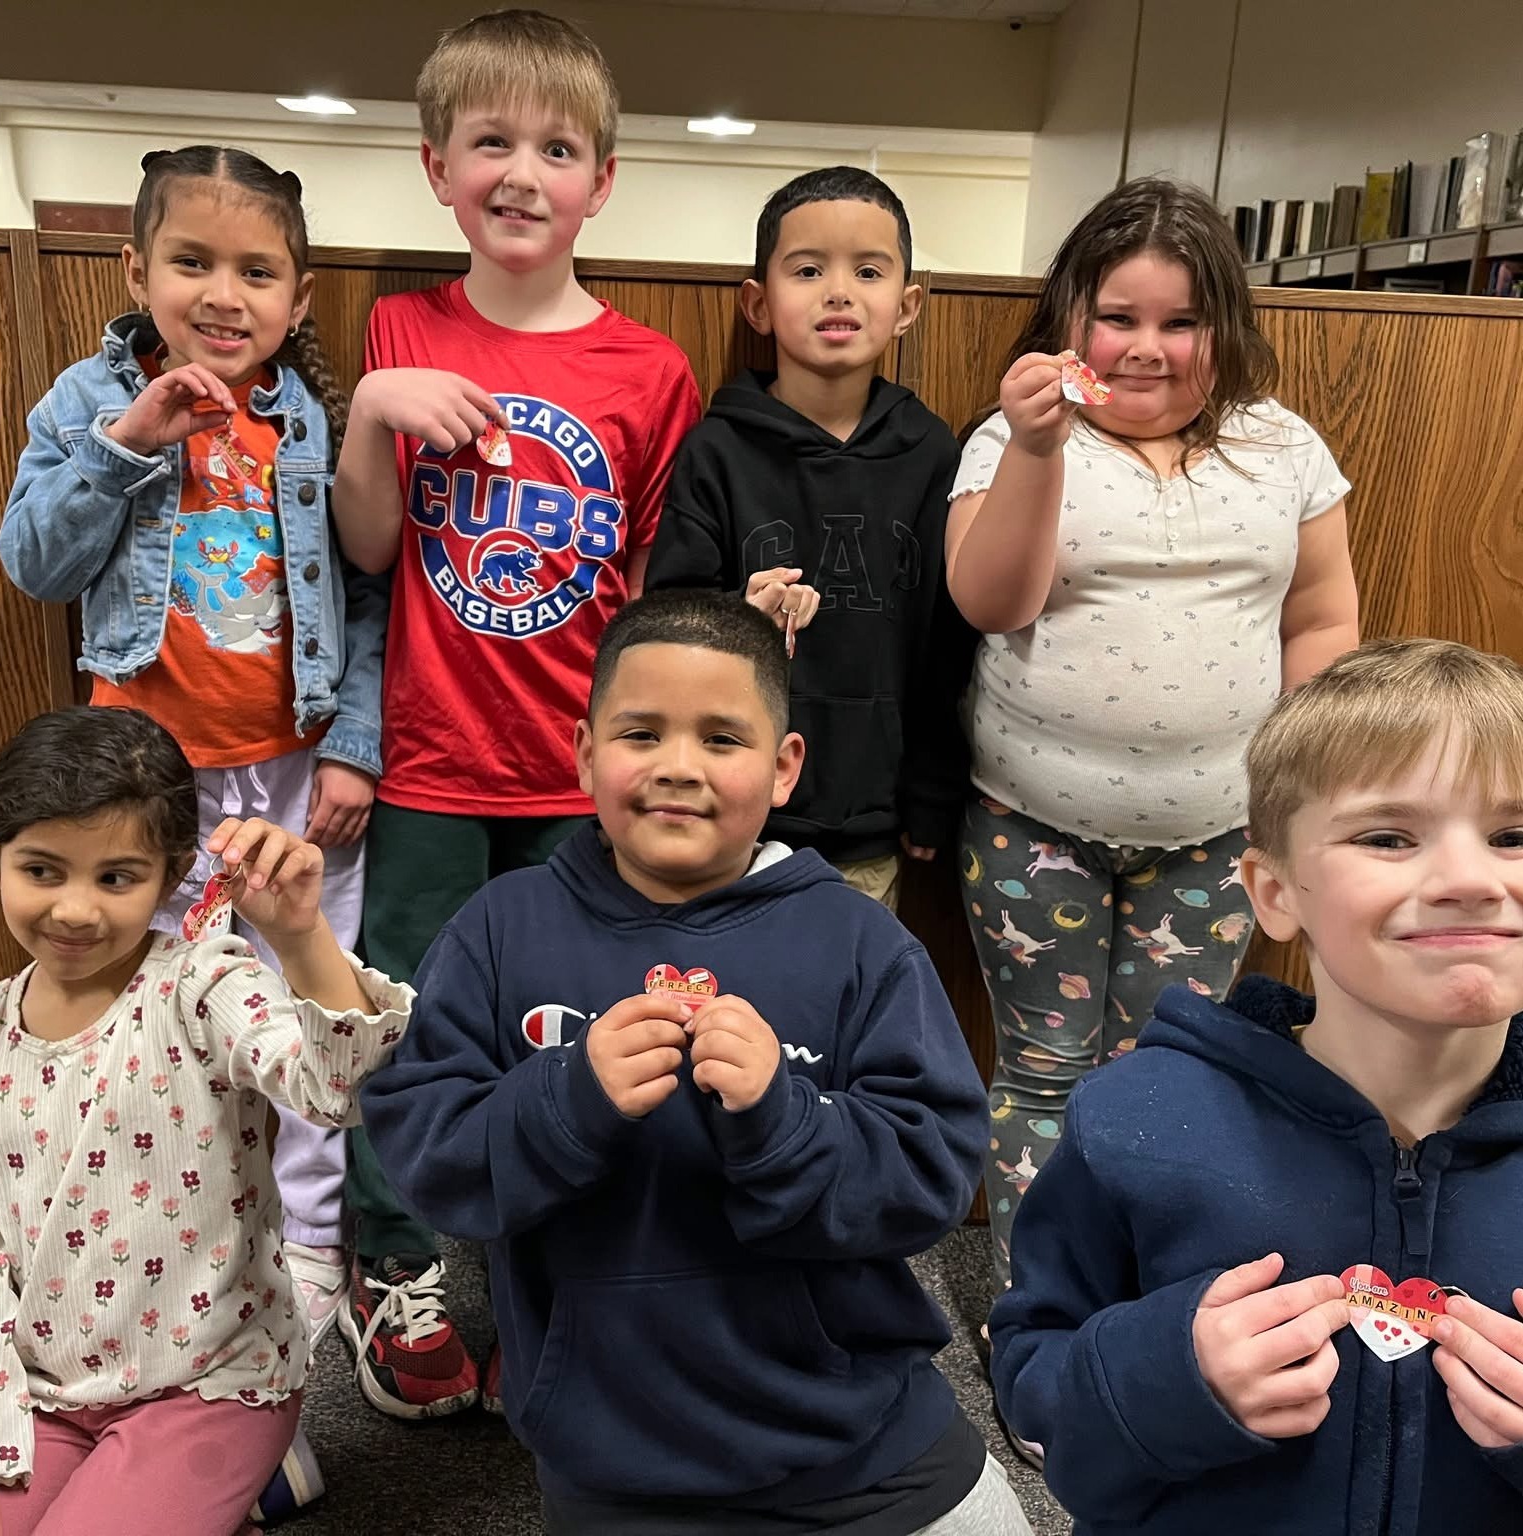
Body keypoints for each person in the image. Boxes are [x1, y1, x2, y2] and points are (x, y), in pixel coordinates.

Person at [360, 589, 1028, 1535]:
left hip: (869, 1457)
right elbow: (429, 1159)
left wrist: (788, 1119)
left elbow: (932, 1178)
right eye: (642, 734)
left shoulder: (858, 941)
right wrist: (567, 1100)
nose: (680, 768)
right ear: (586, 751)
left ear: (785, 766)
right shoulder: (500, 930)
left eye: (723, 739)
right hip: (618, 1477)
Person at [327, 9, 703, 1418]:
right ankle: (397, 1265)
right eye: (492, 141)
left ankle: (567, 1261)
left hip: (578, 775)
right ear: (439, 166)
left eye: (557, 147)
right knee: (409, 1025)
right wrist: (372, 410)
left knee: (582, 1025)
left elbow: (657, 592)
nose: (524, 172)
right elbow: (368, 551)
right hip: (429, 764)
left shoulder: (652, 371)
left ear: (603, 180)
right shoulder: (401, 329)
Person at [990, 637, 1523, 1535]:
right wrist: (1168, 1379)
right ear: (1273, 893)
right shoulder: (1136, 1121)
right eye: (1387, 836)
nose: (1471, 880)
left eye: (1514, 835)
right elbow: (1036, 1378)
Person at [0, 144, 385, 1354]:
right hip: (140, 790)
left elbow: (364, 600)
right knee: (143, 1012)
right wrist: (128, 441)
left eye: (258, 271)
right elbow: (34, 564)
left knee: (305, 998)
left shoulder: (308, 420)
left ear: (298, 298)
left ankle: (308, 1237)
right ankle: (146, 1226)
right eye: (193, 262)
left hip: (291, 771)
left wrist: (353, 748)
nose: (226, 294)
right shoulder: (85, 401)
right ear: (137, 269)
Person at [945, 176, 1360, 1288]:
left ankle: (1125, 1291)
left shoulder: (1284, 449)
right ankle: (1037, 1303)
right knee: (1040, 1071)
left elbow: (1322, 620)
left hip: (1220, 837)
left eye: (1181, 321)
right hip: (1033, 827)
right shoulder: (1010, 437)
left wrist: (1295, 788)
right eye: (1118, 318)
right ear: (1071, 318)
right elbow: (990, 603)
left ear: (1224, 327)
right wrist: (1037, 447)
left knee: (1161, 1073)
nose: (1148, 348)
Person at [0, 705, 411, 1536]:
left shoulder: (204, 986)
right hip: (37, 1384)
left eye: (114, 877)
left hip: (205, 1378)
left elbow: (342, 1088)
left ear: (171, 871)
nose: (74, 910)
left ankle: (226, 1474)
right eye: (43, 871)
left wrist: (298, 938)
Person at [646, 167, 974, 910]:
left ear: (907, 307)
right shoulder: (716, 451)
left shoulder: (933, 455)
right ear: (758, 304)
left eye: (867, 270)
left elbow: (946, 646)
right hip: (723, 814)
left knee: (837, 1012)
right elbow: (667, 620)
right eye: (807, 269)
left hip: (869, 826)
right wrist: (739, 617)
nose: (838, 291)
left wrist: (931, 790)